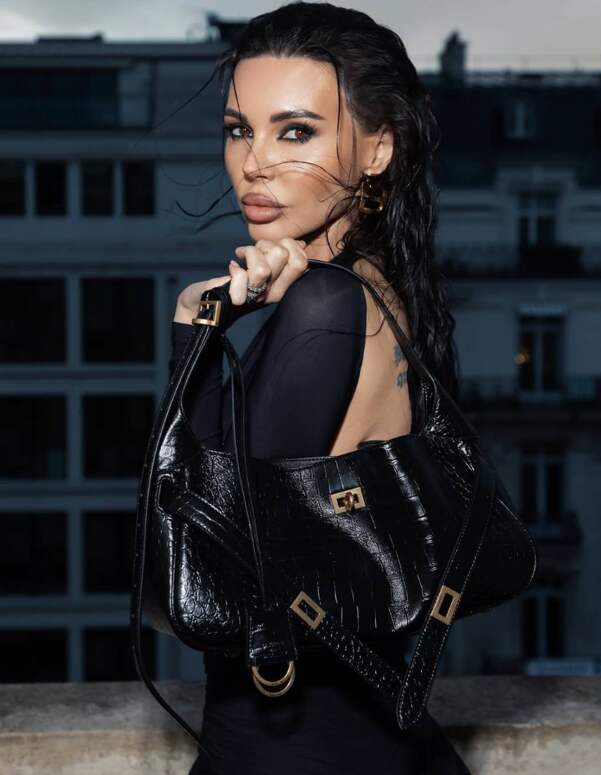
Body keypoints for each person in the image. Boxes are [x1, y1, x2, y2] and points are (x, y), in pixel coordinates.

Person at [168, 2, 468, 772]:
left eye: (295, 131)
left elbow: (202, 560)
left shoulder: (328, 305)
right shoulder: (376, 286)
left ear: (377, 148)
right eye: (240, 128)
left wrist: (193, 326)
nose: (254, 162)